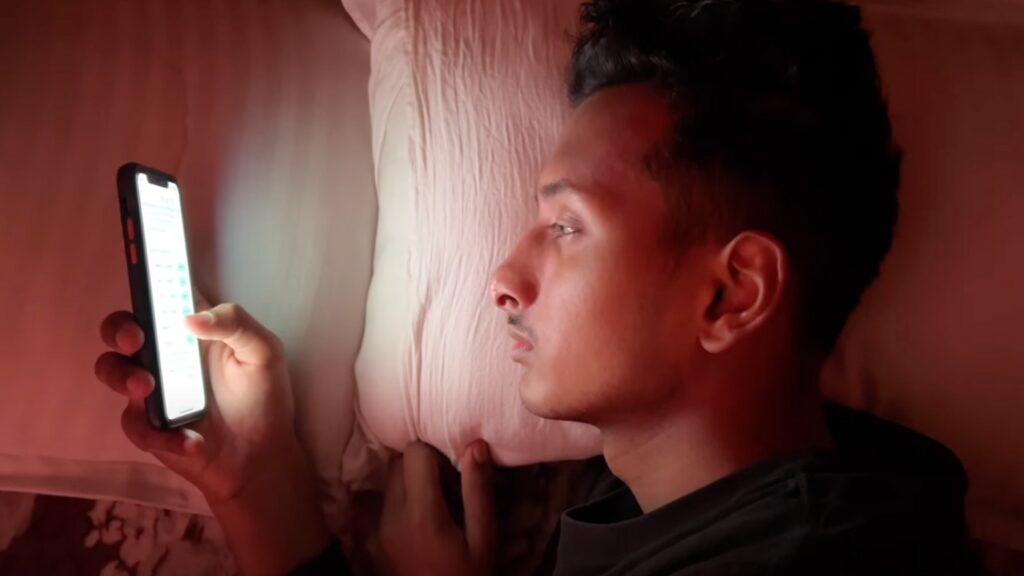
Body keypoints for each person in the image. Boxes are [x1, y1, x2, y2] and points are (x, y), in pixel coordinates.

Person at [95, 0, 987, 574]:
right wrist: (253, 478)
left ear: (733, 295)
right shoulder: (842, 509)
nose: (503, 279)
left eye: (564, 227)